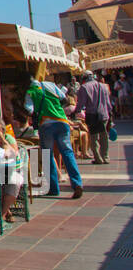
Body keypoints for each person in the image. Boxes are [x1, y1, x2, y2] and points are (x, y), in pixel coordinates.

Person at [25, 64, 83, 199]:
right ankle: (77, 183)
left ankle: (53, 187)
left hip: (46, 124)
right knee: (67, 152)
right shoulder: (48, 84)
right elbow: (64, 98)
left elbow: (29, 110)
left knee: (47, 155)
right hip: (62, 121)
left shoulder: (30, 92)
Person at [0, 116, 23, 222]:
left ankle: (1, 215)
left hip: (13, 170)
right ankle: (6, 212)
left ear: (3, 129)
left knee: (14, 183)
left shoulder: (8, 138)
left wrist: (2, 140)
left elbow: (14, 154)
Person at [75, 71, 112, 166]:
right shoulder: (103, 86)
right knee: (104, 136)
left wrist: (77, 111)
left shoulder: (84, 87)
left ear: (84, 78)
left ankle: (98, 158)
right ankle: (105, 157)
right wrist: (110, 113)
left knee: (94, 137)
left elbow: (81, 103)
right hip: (104, 114)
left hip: (92, 115)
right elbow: (108, 102)